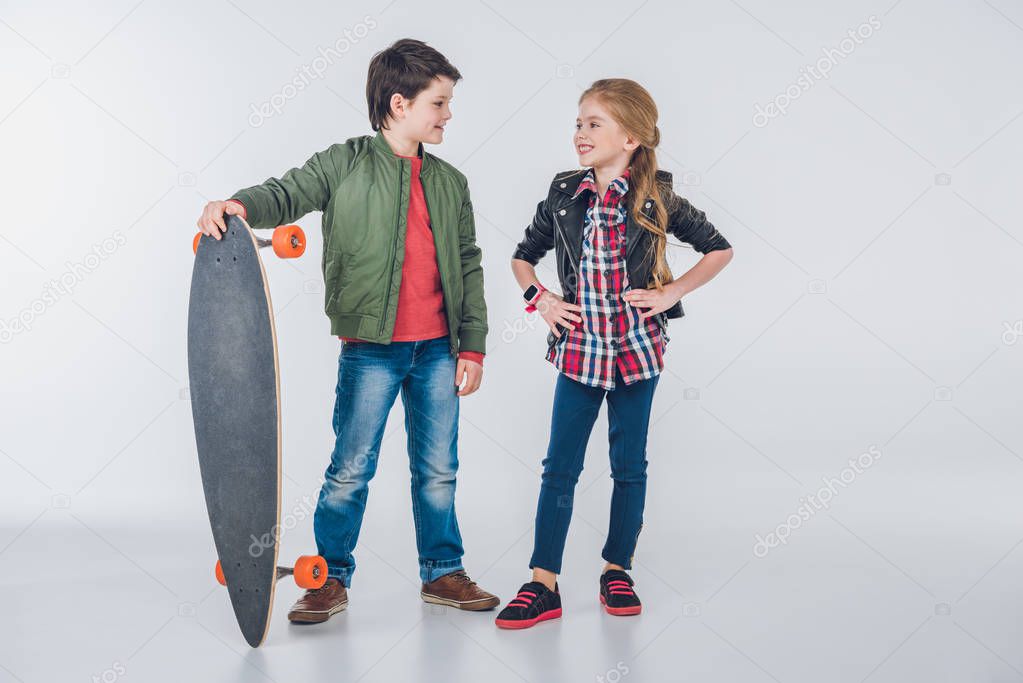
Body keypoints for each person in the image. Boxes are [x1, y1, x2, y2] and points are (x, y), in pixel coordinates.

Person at [196, 38, 498, 624]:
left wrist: (474, 345)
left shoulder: (450, 182)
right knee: (350, 467)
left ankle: (442, 572)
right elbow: (286, 192)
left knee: (438, 467)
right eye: (439, 103)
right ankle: (331, 578)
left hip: (438, 349)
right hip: (371, 349)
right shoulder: (345, 163)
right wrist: (236, 205)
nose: (448, 115)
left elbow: (468, 261)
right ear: (399, 103)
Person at [496, 78, 733, 629]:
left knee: (629, 466)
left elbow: (718, 248)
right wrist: (542, 300)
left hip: (636, 350)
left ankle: (616, 568)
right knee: (560, 467)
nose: (580, 132)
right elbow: (522, 257)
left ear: (630, 137)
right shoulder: (562, 194)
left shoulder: (658, 197)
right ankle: (543, 583)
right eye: (579, 122)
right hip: (579, 349)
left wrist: (671, 293)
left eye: (593, 123)